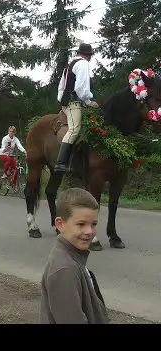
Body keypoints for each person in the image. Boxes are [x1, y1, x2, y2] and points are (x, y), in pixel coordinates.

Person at [39, 187, 109, 324]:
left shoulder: (72, 258)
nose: (89, 231)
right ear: (60, 224)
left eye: (93, 224)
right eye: (81, 224)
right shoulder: (65, 270)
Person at [54, 43, 100, 173]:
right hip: (73, 103)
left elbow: (61, 88)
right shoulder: (83, 64)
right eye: (90, 55)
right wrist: (88, 101)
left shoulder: (70, 64)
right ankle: (61, 163)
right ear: (88, 55)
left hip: (67, 101)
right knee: (75, 129)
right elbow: (81, 87)